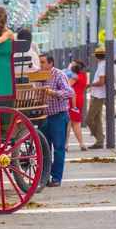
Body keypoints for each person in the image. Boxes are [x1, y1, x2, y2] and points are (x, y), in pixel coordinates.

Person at [35, 54, 74, 187]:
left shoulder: (59, 75)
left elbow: (69, 92)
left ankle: (56, 178)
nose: (40, 65)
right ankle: (44, 177)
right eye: (39, 62)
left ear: (50, 64)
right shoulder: (37, 76)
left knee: (58, 149)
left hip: (58, 116)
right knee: (43, 149)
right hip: (43, 117)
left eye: (43, 62)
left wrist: (54, 93)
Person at [85, 48, 108, 149]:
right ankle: (99, 141)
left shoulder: (102, 66)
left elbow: (102, 81)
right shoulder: (103, 65)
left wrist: (91, 84)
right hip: (98, 95)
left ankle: (100, 138)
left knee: (88, 119)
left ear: (95, 56)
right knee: (97, 119)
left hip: (98, 96)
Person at [65, 59, 88, 152]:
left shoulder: (74, 76)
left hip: (71, 98)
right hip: (80, 98)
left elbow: (68, 85)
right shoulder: (83, 75)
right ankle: (81, 144)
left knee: (68, 122)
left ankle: (65, 144)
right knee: (76, 123)